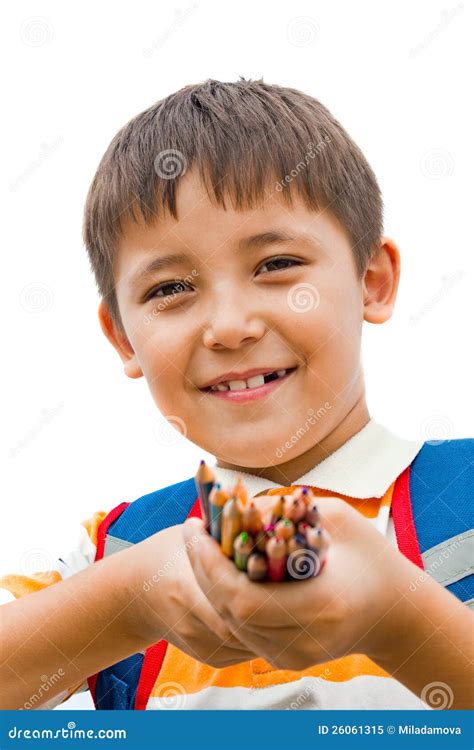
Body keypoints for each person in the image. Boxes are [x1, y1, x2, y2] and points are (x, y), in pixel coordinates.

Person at [1, 78, 472, 711]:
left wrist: (403, 621)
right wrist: (128, 601)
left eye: (276, 265)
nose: (228, 326)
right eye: (169, 289)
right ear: (124, 340)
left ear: (372, 280)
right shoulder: (117, 550)